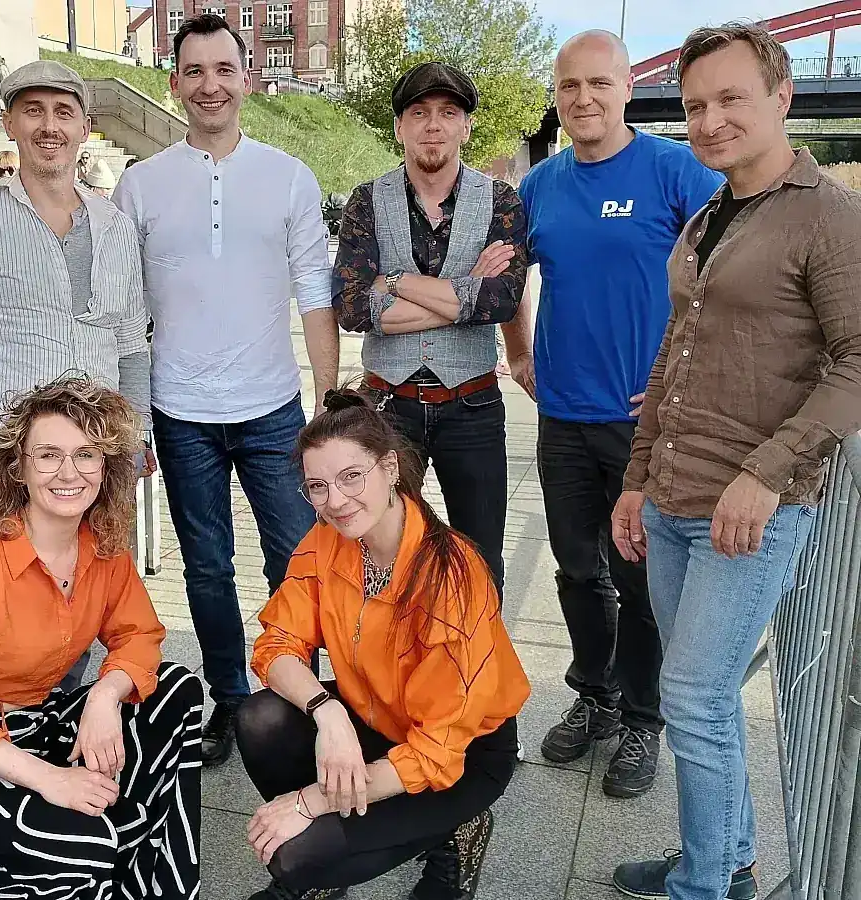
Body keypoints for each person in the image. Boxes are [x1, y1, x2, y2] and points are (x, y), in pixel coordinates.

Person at [610, 22, 861, 900]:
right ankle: (726, 860)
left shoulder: (827, 216)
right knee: (701, 702)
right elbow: (672, 355)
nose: (710, 120)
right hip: (675, 498)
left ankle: (704, 885)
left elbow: (858, 359)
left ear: (782, 97)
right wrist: (637, 481)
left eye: (731, 99)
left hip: (751, 511)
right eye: (694, 106)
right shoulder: (711, 215)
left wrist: (767, 472)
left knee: (693, 699)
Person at [501, 31, 724, 798]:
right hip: (562, 417)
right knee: (576, 569)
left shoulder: (675, 170)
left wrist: (686, 376)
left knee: (640, 578)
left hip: (642, 423)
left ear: (629, 88)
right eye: (570, 85)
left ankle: (642, 718)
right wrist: (520, 353)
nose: (584, 98)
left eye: (600, 83)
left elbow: (733, 270)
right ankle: (594, 696)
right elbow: (508, 281)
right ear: (556, 96)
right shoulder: (540, 186)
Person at [113, 14, 339, 766]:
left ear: (248, 76)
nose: (210, 85)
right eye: (194, 71)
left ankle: (298, 696)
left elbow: (314, 290)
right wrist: (133, 418)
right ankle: (232, 701)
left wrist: (328, 399)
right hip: (180, 411)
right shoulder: (140, 185)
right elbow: (126, 310)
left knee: (296, 562)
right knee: (206, 568)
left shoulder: (289, 176)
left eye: (223, 69)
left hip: (273, 407)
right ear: (173, 82)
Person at [0, 377, 202, 900]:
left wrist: (105, 696)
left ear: (105, 467)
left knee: (177, 689)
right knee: (87, 844)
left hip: (42, 720)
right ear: (18, 467)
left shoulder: (103, 549)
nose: (69, 472)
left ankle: (155, 885)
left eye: (86, 455)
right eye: (48, 455)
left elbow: (140, 634)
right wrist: (49, 779)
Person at [237, 388, 529, 900]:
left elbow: (435, 751)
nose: (336, 501)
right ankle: (330, 863)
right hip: (375, 718)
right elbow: (277, 643)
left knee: (295, 853)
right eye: (318, 486)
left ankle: (454, 834)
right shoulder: (330, 539)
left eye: (352, 476)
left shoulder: (450, 575)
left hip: (459, 755)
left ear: (390, 468)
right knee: (259, 718)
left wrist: (309, 802)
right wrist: (327, 713)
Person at [0, 60, 151, 690]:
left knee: (85, 591)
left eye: (63, 112)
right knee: (9, 604)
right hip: (9, 452)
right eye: (33, 111)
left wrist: (136, 442)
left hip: (94, 453)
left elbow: (131, 342)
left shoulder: (113, 225)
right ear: (9, 123)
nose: (49, 126)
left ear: (84, 126)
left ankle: (65, 715)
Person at [331, 60, 528, 592]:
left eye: (448, 112)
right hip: (387, 407)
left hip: (472, 405)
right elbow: (352, 307)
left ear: (466, 125)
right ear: (400, 127)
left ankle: (476, 648)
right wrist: (468, 287)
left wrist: (392, 281)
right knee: (383, 554)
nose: (433, 125)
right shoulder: (367, 201)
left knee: (479, 559)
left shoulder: (501, 201)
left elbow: (502, 300)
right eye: (418, 113)